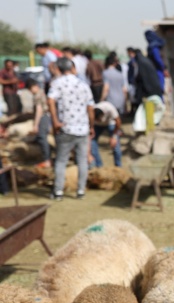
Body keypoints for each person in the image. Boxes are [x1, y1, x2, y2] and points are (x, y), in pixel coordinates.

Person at [47, 57, 95, 200]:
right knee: (82, 160)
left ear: (58, 69)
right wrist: (91, 126)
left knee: (61, 160)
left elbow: (50, 100)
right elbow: (90, 107)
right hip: (82, 128)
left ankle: (58, 192)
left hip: (65, 128)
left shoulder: (57, 83)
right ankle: (81, 191)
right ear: (72, 68)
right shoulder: (83, 84)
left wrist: (55, 121)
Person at [26, 79, 52, 169]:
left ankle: (47, 160)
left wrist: (36, 125)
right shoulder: (42, 92)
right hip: (46, 116)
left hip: (43, 117)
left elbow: (39, 110)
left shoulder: (37, 95)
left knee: (42, 137)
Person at [90, 100, 122, 168]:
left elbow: (118, 122)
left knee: (116, 145)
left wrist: (114, 136)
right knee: (92, 144)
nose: (100, 121)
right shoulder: (90, 112)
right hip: (96, 126)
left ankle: (118, 166)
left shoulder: (109, 108)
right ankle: (99, 166)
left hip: (111, 123)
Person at [144, 30, 167, 94]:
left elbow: (157, 59)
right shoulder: (155, 46)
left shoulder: (153, 47)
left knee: (159, 89)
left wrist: (163, 68)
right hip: (157, 70)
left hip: (157, 70)